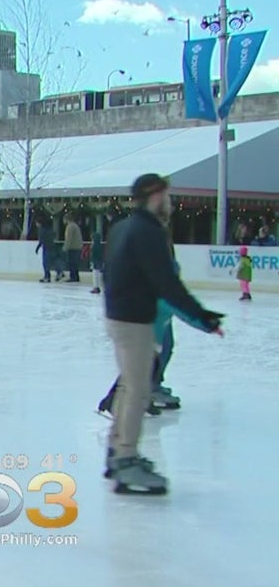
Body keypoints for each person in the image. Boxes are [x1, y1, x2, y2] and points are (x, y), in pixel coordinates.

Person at [102, 173, 223, 495]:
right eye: (167, 196)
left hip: (118, 317)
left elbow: (107, 272)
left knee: (130, 386)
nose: (169, 202)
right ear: (155, 196)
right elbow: (167, 284)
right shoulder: (149, 231)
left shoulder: (122, 228)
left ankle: (117, 451)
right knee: (139, 390)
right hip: (135, 321)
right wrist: (203, 317)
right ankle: (126, 459)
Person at [35, 216, 57, 283]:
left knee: (46, 263)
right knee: (50, 262)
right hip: (50, 246)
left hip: (47, 247)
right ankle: (49, 275)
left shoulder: (42, 229)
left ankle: (47, 276)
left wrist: (38, 247)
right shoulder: (48, 229)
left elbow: (41, 240)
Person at [63, 213, 83, 283]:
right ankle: (76, 276)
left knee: (72, 263)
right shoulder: (74, 225)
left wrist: (65, 247)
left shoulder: (70, 226)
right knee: (75, 263)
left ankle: (73, 277)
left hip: (73, 248)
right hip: (77, 247)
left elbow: (69, 238)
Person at [90, 224, 105, 295]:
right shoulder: (100, 246)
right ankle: (97, 287)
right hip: (99, 261)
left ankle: (96, 287)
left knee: (95, 275)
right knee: (98, 275)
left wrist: (92, 262)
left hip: (95, 262)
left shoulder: (94, 246)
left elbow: (93, 255)